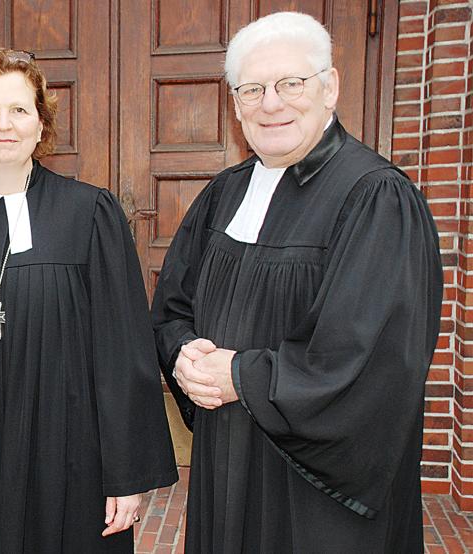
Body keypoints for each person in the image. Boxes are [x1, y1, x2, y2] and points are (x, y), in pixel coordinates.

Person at [151, 12, 442, 553]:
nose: (271, 104)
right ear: (235, 105)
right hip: (226, 456)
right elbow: (173, 306)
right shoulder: (225, 193)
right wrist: (184, 353)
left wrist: (241, 376)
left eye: (290, 83)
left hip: (317, 489)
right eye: (252, 89)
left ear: (329, 88)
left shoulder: (376, 197)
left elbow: (372, 355)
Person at [0, 48, 178, 553]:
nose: (2, 124)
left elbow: (123, 350)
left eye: (18, 109)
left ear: (40, 125)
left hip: (67, 455)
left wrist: (126, 474)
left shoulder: (89, 214)